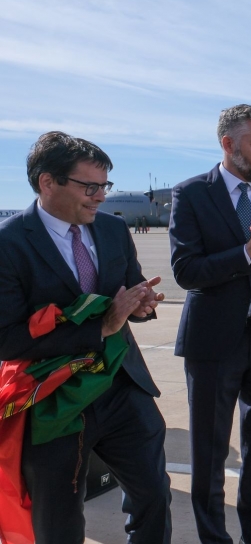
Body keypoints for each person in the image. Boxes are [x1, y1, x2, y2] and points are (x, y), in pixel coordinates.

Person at [0, 131, 171, 543]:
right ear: (47, 182)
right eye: (90, 186)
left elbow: (127, 291)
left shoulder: (112, 230)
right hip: (53, 400)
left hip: (120, 386)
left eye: (104, 186)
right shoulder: (8, 244)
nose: (100, 197)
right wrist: (102, 327)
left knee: (154, 494)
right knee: (58, 520)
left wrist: (142, 305)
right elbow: (6, 340)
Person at [169, 105, 251, 544]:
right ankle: (214, 539)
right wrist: (247, 252)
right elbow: (186, 271)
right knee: (208, 454)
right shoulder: (191, 194)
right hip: (212, 342)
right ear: (228, 144)